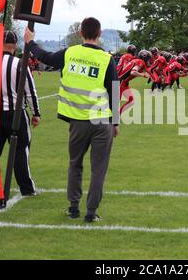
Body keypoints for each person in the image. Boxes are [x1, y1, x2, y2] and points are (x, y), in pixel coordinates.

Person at [24, 17, 119, 223]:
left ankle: (74, 208)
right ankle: (91, 212)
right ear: (100, 34)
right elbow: (114, 91)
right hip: (101, 122)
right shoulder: (106, 59)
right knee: (98, 169)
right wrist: (116, 122)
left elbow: (45, 57)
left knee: (75, 164)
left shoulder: (70, 53)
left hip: (77, 122)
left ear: (80, 33)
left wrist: (30, 42)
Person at [0, 30, 41, 197]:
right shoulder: (20, 63)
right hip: (15, 114)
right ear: (15, 45)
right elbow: (30, 91)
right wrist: (36, 113)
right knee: (20, 149)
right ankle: (26, 188)